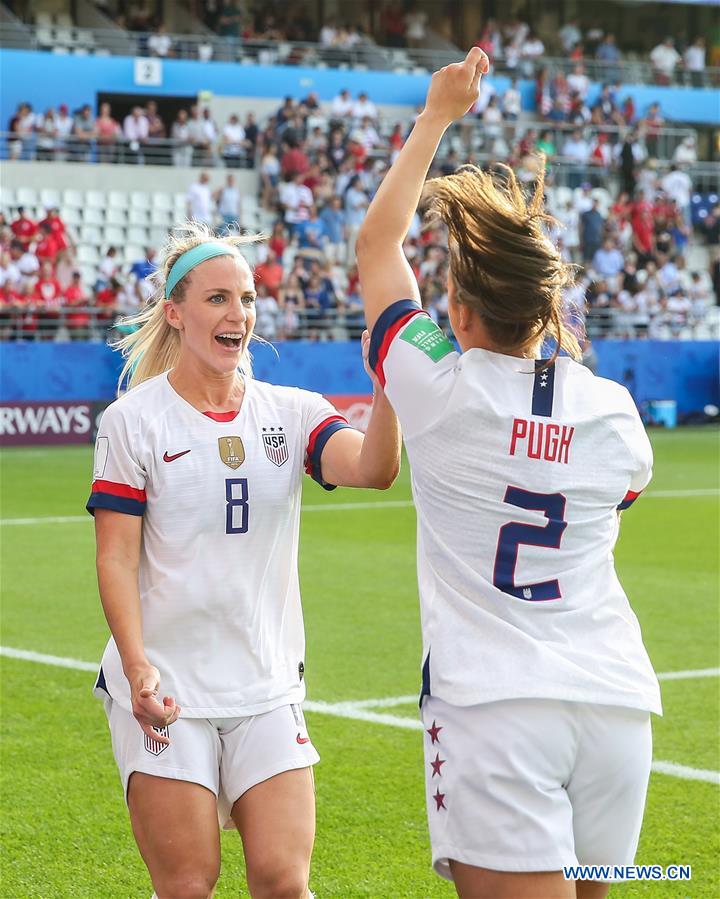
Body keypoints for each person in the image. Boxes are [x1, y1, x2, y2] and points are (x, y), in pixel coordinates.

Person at [356, 48, 660, 899]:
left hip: (494, 711)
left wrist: (436, 117)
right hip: (615, 708)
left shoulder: (436, 386)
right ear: (545, 307)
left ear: (455, 309)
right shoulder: (614, 411)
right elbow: (620, 495)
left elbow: (378, 243)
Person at [87, 221, 401, 899]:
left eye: (248, 298)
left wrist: (391, 382)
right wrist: (138, 668)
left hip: (265, 685)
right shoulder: (133, 422)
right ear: (174, 312)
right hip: (167, 687)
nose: (239, 314)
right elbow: (115, 556)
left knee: (285, 882)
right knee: (189, 884)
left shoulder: (291, 412)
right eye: (218, 298)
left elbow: (375, 468)